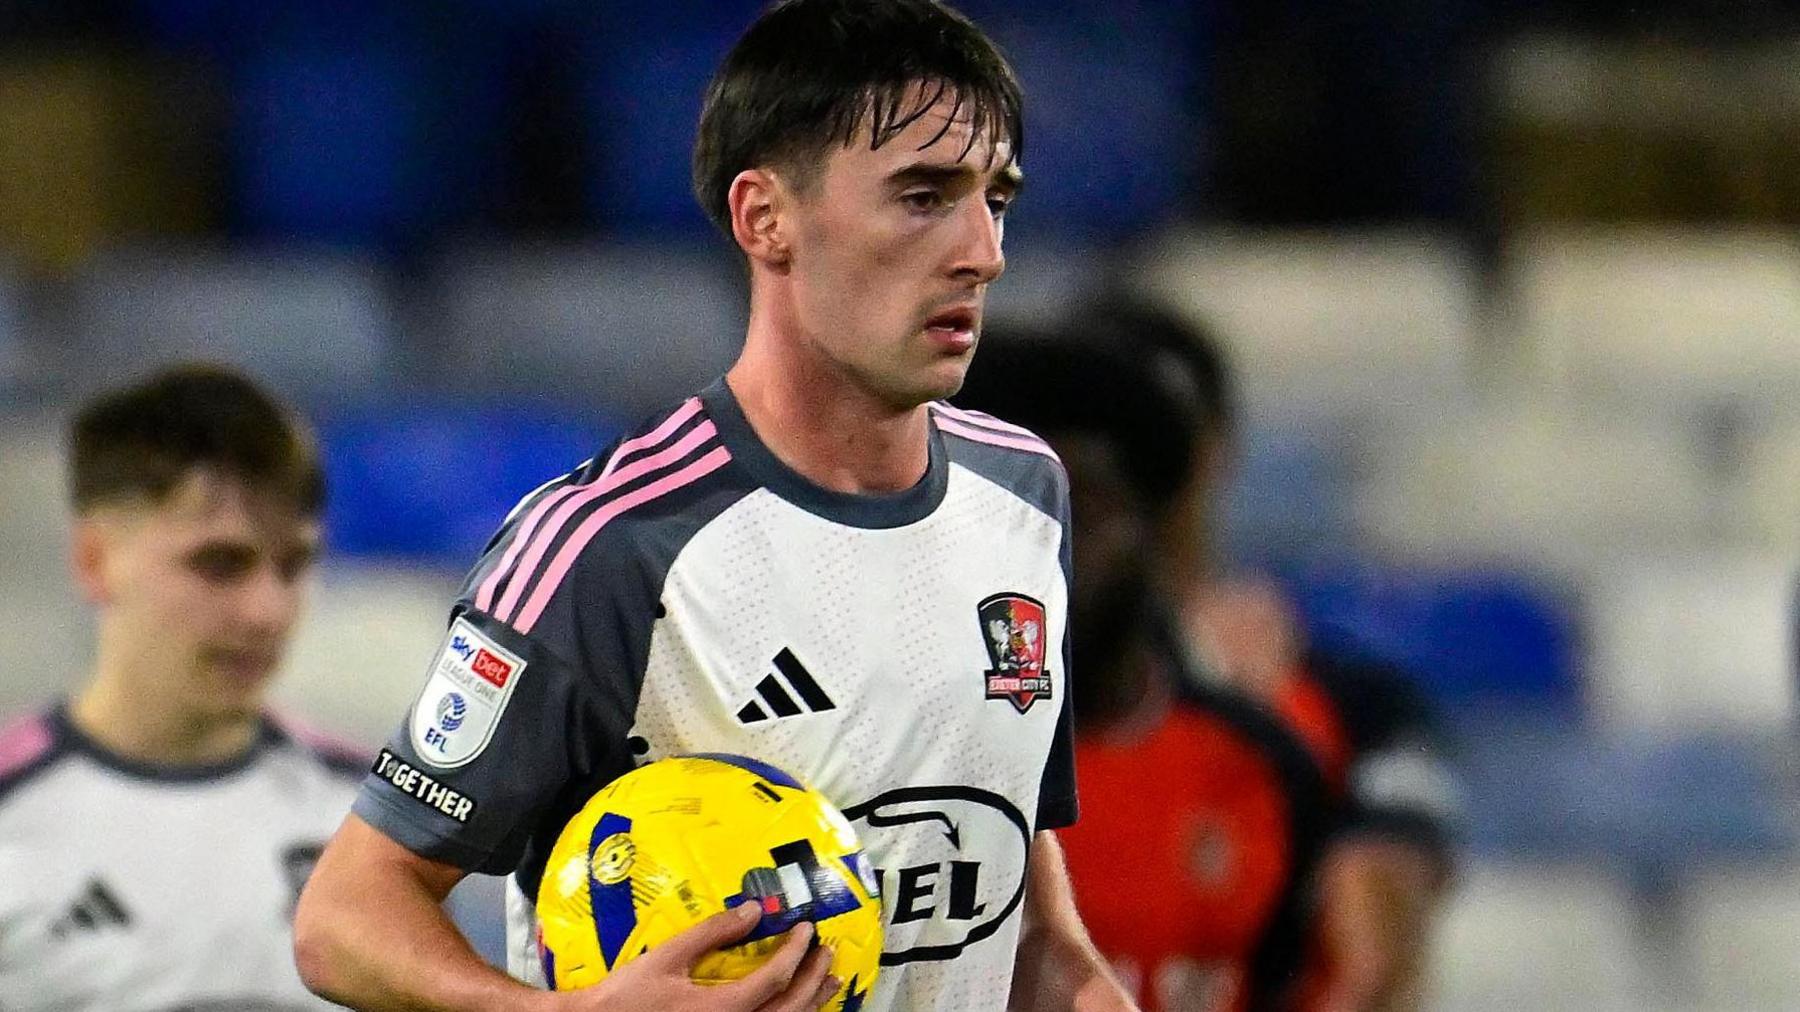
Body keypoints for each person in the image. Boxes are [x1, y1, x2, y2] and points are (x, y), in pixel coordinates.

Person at [293, 2, 1134, 1010]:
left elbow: (1027, 922)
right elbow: (345, 915)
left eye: (995, 198)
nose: (983, 251)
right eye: (923, 196)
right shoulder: (611, 546)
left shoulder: (1026, 496)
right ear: (763, 218)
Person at [1081, 293, 1460, 1012]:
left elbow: (1376, 967)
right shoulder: (961, 685)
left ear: (1214, 454)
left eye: (1151, 436)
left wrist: (1252, 732)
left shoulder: (1348, 704)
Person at [957, 331, 1333, 1011]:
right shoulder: (896, 760)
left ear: (1156, 535)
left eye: (1086, 512)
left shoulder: (1264, 769)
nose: (1050, 551)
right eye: (1017, 514)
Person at [0, 363, 357, 1010]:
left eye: (294, 565)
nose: (267, 612)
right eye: (220, 563)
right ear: (94, 560)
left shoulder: (370, 822)